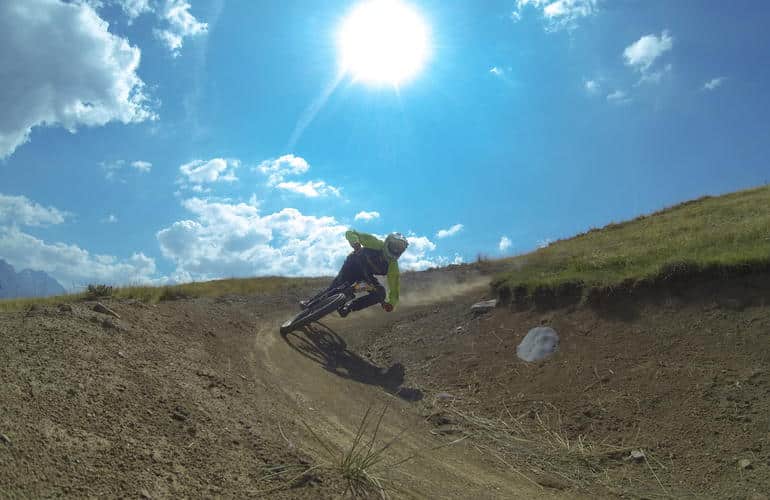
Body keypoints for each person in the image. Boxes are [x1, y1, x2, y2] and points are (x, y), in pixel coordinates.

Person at [301, 230, 409, 317]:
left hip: (365, 276)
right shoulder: (375, 243)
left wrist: (391, 304)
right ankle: (310, 303)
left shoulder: (393, 266)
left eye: (399, 248)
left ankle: (349, 307)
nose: (396, 250)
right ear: (387, 242)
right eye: (394, 246)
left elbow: (394, 289)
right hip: (352, 265)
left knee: (380, 294)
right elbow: (351, 232)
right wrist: (355, 242)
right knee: (336, 286)